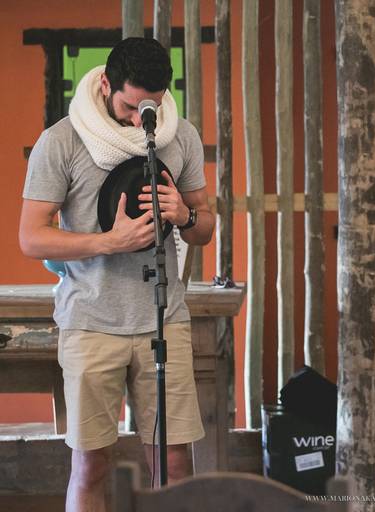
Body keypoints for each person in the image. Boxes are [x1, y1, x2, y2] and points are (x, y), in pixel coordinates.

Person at [18, 37, 214, 512]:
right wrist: (111, 242)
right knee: (92, 465)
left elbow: (205, 224)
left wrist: (185, 217)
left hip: (163, 319)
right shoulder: (61, 140)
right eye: (128, 106)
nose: (136, 119)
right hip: (91, 322)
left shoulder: (179, 135)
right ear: (105, 83)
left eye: (149, 107)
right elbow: (32, 238)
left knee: (174, 465)